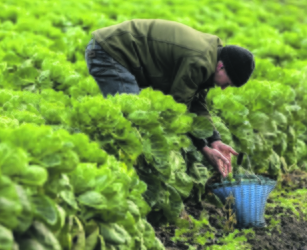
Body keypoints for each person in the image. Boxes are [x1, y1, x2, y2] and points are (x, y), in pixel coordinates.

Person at [85, 19, 255, 177]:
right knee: (130, 123)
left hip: (115, 51)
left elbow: (196, 102)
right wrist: (203, 148)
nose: (224, 87)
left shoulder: (210, 58)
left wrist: (214, 140)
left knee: (133, 123)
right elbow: (178, 109)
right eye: (229, 82)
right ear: (221, 67)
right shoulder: (199, 61)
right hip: (109, 51)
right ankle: (110, 171)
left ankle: (121, 170)